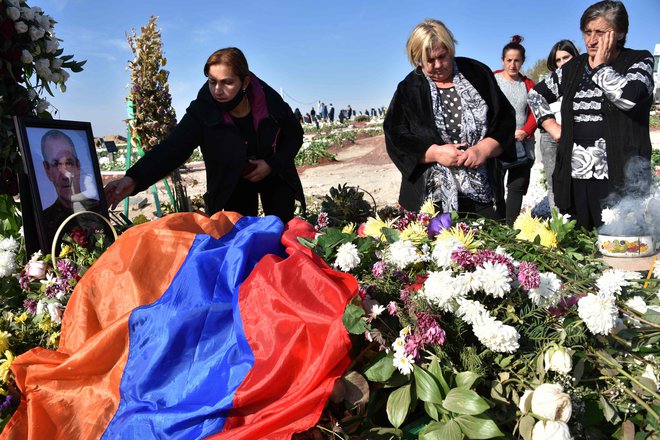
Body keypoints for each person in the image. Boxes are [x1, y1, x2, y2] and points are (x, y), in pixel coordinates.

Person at [105, 47, 305, 223]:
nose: (218, 90)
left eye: (227, 82)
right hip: (233, 180)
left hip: (275, 172)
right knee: (239, 238)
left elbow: (295, 135)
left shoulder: (268, 101)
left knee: (281, 231)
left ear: (244, 82)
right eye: (212, 82)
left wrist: (271, 164)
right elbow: (173, 148)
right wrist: (133, 179)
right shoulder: (203, 110)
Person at [528, 1, 654, 230]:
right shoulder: (573, 67)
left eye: (600, 32)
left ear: (620, 33)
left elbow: (628, 99)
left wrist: (600, 67)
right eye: (587, 32)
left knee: (620, 240)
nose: (592, 40)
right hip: (576, 176)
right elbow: (536, 95)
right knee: (580, 243)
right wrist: (552, 126)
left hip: (620, 175)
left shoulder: (638, 60)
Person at [384, 19, 515, 218]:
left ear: (450, 48)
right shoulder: (409, 88)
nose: (438, 65)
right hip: (430, 198)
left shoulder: (477, 73)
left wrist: (484, 148)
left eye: (442, 57)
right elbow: (396, 137)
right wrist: (434, 153)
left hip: (483, 191)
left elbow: (504, 119)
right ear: (417, 59)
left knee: (488, 246)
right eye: (430, 60)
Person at [493, 35, 537, 225]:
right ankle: (498, 224)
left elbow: (537, 113)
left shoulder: (529, 85)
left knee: (517, 186)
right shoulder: (492, 80)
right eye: (509, 60)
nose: (512, 65)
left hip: (522, 142)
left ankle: (511, 227)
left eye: (517, 60)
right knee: (496, 187)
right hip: (497, 143)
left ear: (522, 62)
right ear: (503, 60)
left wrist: (525, 131)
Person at [538, 40, 580, 211]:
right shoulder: (549, 82)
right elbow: (536, 103)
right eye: (558, 60)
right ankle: (558, 222)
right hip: (550, 137)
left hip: (576, 135)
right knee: (553, 182)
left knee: (578, 180)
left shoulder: (584, 80)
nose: (563, 63)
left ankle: (579, 220)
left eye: (566, 57)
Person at [41, 129, 101, 244]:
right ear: (47, 170)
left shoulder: (97, 208)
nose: (65, 175)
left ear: (77, 165)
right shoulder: (45, 221)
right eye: (56, 164)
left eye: (69, 163)